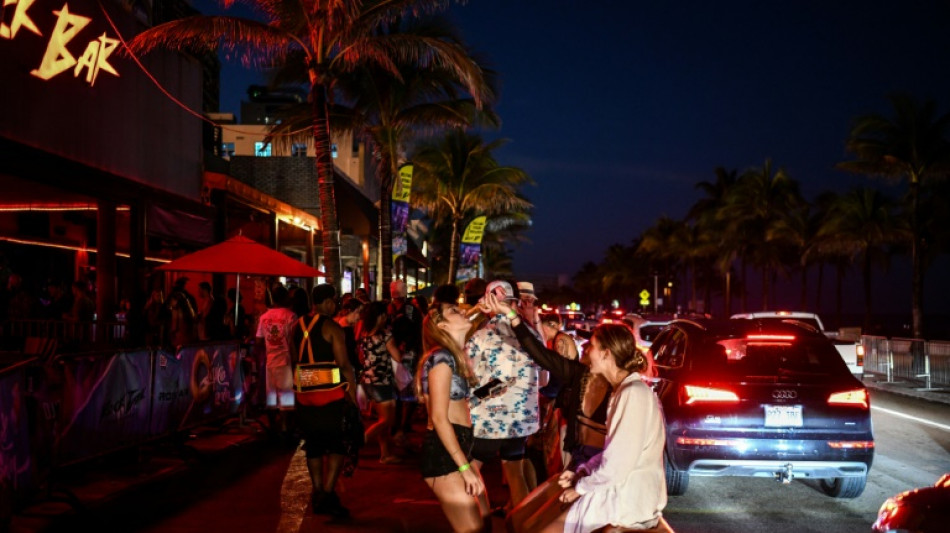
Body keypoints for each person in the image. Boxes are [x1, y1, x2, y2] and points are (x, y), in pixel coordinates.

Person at [541, 323, 667, 533]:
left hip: (625, 498)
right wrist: (582, 471)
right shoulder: (624, 390)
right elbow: (615, 451)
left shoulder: (633, 393)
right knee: (532, 516)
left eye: (591, 345)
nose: (586, 350)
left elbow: (617, 465)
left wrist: (580, 488)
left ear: (606, 354)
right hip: (615, 489)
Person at [467, 279, 542, 517]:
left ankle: (483, 519)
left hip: (490, 420)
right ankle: (524, 524)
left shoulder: (482, 335)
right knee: (515, 474)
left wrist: (471, 400)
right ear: (513, 303)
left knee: (470, 471)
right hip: (522, 420)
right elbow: (543, 377)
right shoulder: (531, 333)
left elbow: (471, 375)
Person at [416, 302, 488, 533]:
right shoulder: (441, 358)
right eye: (454, 311)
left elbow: (456, 403)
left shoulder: (453, 356)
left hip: (459, 444)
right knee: (473, 529)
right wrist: (464, 467)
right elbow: (439, 418)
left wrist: (486, 393)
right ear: (442, 325)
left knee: (485, 521)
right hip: (443, 451)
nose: (463, 311)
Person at [290, 283, 359, 518]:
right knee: (337, 445)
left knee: (314, 446)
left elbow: (294, 359)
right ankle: (327, 494)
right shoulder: (332, 327)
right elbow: (344, 364)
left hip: (304, 397)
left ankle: (318, 491)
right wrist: (353, 395)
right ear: (328, 302)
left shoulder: (296, 326)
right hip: (330, 397)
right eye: (335, 301)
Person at [358, 300, 404, 463]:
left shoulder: (364, 334)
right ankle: (359, 441)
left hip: (368, 381)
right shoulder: (385, 335)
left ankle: (385, 454)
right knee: (387, 420)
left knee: (382, 419)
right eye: (385, 314)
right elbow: (397, 357)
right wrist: (401, 350)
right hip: (382, 381)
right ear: (381, 316)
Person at [255, 284, 297, 441]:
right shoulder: (291, 316)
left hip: (270, 361)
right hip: (285, 360)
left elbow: (258, 340)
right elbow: (293, 340)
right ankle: (285, 429)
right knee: (286, 398)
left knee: (271, 397)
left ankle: (273, 428)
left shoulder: (264, 317)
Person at [388, 279, 423, 445]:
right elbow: (418, 332)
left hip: (401, 355)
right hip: (404, 355)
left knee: (402, 394)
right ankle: (400, 426)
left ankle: (400, 426)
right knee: (405, 394)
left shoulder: (397, 310)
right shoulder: (408, 310)